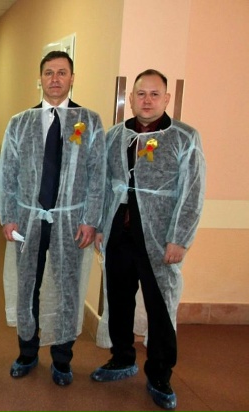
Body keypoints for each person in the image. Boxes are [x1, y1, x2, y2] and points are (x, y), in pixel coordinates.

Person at [90, 69, 205, 410]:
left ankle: (159, 373)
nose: (147, 100)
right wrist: (100, 226)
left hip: (159, 237)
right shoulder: (115, 135)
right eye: (141, 94)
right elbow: (102, 184)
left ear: (166, 99)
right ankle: (122, 357)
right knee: (119, 300)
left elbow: (192, 191)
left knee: (160, 306)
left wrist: (180, 238)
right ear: (131, 98)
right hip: (119, 233)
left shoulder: (184, 137)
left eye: (155, 94)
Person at [0, 51, 106, 385]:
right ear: (40, 78)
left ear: (72, 78)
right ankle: (27, 352)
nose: (55, 79)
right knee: (27, 285)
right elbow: (8, 173)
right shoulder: (20, 122)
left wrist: (90, 219)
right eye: (49, 72)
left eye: (62, 72)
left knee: (66, 288)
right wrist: (8, 216)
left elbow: (97, 174)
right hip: (28, 220)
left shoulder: (89, 121)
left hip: (71, 223)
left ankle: (62, 358)